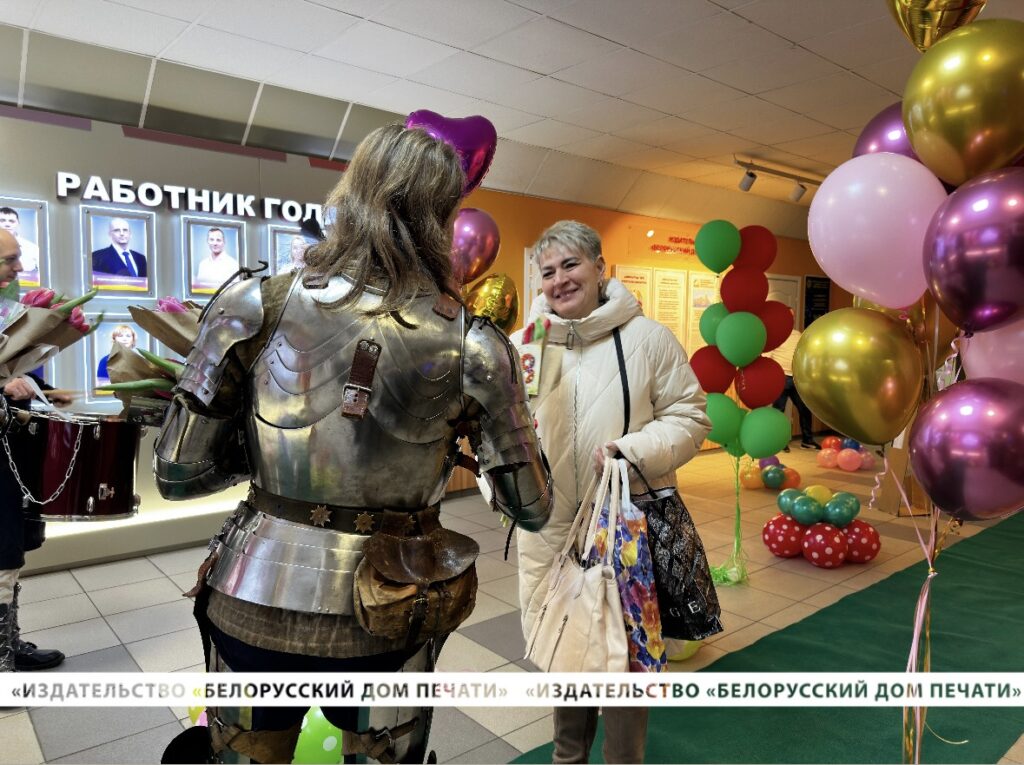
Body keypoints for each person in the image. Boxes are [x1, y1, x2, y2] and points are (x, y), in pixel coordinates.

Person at [155, 123, 551, 764]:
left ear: (354, 188)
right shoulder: (475, 344)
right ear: (443, 213)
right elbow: (531, 508)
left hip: (258, 581)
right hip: (391, 601)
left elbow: (177, 472)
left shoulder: (254, 303)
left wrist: (272, 449)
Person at [513, 220, 710, 764]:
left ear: (601, 268)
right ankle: (567, 758)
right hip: (548, 526)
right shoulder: (526, 345)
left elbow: (691, 417)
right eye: (547, 271)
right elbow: (498, 431)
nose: (559, 280)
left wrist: (632, 450)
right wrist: (506, 491)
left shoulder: (649, 339)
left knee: (624, 657)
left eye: (571, 264)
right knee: (565, 644)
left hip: (623, 526)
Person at [0, 229, 71, 673]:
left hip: (9, 454)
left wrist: (42, 389)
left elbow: (10, 367)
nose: (19, 268)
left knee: (9, 551)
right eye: (10, 259)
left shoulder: (6, 313)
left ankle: (8, 645)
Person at [765, 295, 820, 451]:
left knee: (804, 410)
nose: (792, 319)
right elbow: (766, 357)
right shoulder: (775, 335)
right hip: (780, 378)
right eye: (789, 316)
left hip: (797, 379)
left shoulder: (797, 334)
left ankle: (807, 440)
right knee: (779, 412)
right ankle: (780, 442)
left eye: (793, 316)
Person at [0, 207, 39, 275]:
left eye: (11, 221)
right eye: (2, 220)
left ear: (18, 223)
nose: (7, 224)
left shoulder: (33, 248)